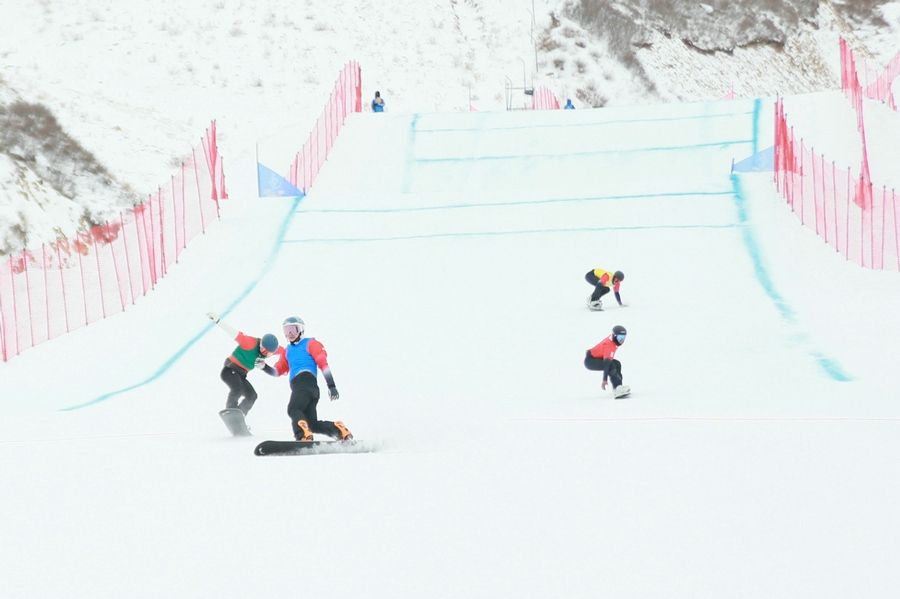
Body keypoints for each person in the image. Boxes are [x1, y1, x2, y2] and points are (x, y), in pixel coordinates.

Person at [273, 316, 353, 441]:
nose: (290, 334)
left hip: (303, 382)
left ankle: (302, 435)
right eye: (287, 331)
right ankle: (339, 430)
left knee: (294, 409)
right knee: (312, 424)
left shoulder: (310, 343)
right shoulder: (287, 351)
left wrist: (331, 385)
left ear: (301, 330)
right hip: (310, 389)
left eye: (294, 330)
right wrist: (263, 366)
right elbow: (277, 371)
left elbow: (323, 364)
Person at [206, 311, 281, 416]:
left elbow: (287, 352)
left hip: (241, 375)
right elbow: (233, 333)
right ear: (260, 344)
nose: (264, 354)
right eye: (264, 350)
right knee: (238, 389)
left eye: (268, 354)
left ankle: (239, 416)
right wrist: (218, 320)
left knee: (252, 395)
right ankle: (230, 412)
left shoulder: (270, 351)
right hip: (229, 370)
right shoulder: (250, 343)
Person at [584, 325, 630, 398]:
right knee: (611, 365)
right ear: (614, 336)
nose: (621, 340)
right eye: (620, 337)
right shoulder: (609, 345)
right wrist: (604, 379)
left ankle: (618, 388)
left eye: (623, 337)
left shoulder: (613, 340)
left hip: (597, 358)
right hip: (590, 361)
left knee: (617, 364)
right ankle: (617, 388)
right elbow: (606, 364)